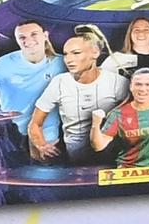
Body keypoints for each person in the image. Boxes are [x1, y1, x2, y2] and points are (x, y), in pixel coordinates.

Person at [31, 25, 124, 161]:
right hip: (74, 161)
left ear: (95, 53)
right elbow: (35, 124)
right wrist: (42, 145)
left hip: (112, 159)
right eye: (66, 54)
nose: (69, 59)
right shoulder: (59, 82)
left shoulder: (117, 82)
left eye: (76, 53)